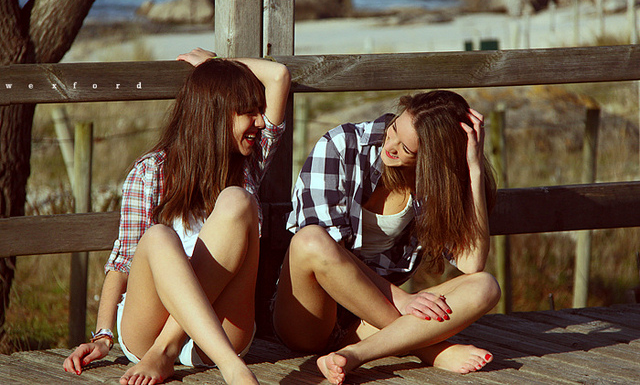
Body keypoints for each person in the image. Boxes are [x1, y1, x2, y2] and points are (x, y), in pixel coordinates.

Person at [63, 48, 291, 385]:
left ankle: (169, 351)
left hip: (218, 335)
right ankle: (233, 370)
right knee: (158, 236)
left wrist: (215, 65)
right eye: (249, 112)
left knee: (237, 200)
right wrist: (102, 335)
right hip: (149, 331)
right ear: (215, 115)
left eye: (260, 112)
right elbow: (123, 261)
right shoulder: (151, 172)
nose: (260, 121)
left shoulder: (248, 166)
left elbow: (279, 76)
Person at [272, 90, 501, 385]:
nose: (389, 145)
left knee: (485, 286)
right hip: (309, 317)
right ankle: (428, 348)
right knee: (311, 240)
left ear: (432, 160)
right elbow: (324, 252)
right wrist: (402, 300)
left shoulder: (434, 182)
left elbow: (471, 263)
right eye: (393, 129)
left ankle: (355, 355)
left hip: (369, 323)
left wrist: (473, 169)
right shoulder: (341, 145)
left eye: (405, 148)